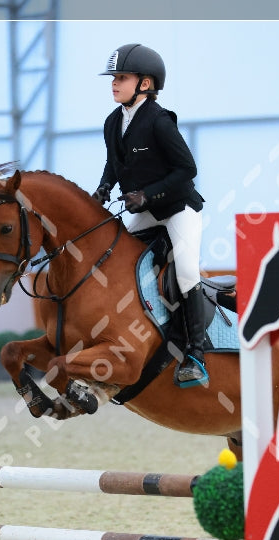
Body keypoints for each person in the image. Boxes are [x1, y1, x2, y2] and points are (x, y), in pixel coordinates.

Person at [93, 43, 208, 388]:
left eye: (122, 78)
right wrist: (103, 188)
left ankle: (195, 355)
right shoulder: (114, 121)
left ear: (145, 84)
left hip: (177, 210)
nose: (114, 83)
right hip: (144, 214)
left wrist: (148, 194)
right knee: (118, 261)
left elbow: (187, 169)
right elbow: (114, 163)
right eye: (113, 77)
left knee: (187, 272)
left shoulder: (159, 121)